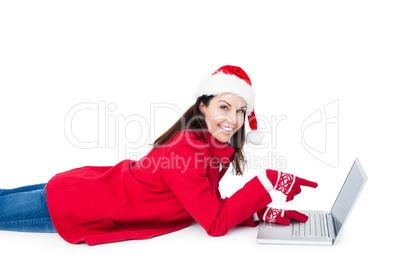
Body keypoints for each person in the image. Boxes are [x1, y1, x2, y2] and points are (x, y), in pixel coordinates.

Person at [0, 65, 317, 245]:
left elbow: (204, 204)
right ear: (202, 106)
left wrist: (257, 212)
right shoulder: (187, 150)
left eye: (241, 111)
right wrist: (266, 183)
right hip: (76, 205)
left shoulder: (209, 146)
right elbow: (215, 222)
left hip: (86, 189)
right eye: (224, 106)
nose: (233, 119)